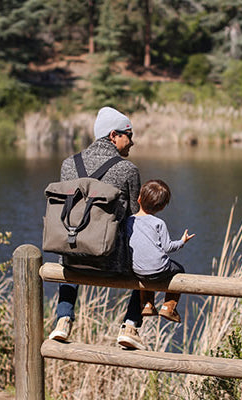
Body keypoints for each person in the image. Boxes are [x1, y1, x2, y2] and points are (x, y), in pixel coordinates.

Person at [49, 106, 145, 349]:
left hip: (74, 261)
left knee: (72, 244)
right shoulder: (128, 170)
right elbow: (135, 218)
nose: (132, 142)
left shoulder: (68, 164)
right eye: (129, 135)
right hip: (111, 262)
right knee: (151, 263)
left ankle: (63, 319)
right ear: (113, 136)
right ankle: (131, 326)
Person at [124, 179, 195, 329]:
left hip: (137, 271)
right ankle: (168, 307)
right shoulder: (158, 223)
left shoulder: (129, 221)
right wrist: (182, 241)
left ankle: (147, 304)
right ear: (162, 207)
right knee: (179, 270)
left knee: (146, 271)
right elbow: (168, 247)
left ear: (138, 199)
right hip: (159, 270)